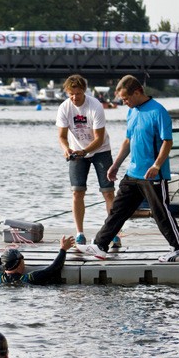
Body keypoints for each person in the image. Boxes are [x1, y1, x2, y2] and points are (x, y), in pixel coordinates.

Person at [77, 75, 179, 263]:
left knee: (161, 212)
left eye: (126, 98)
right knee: (118, 210)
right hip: (133, 173)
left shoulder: (158, 111)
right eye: (122, 99)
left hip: (152, 174)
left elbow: (167, 142)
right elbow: (128, 140)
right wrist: (116, 165)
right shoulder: (132, 112)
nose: (124, 102)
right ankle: (100, 245)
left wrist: (156, 165)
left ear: (137, 92)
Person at [56, 75, 119, 247]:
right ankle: (80, 233)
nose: (75, 97)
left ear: (84, 91)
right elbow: (61, 136)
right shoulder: (64, 108)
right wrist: (66, 149)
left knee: (108, 192)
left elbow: (98, 139)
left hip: (100, 150)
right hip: (77, 152)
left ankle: (113, 233)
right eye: (71, 94)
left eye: (78, 93)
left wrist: (84, 151)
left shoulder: (95, 106)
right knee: (77, 192)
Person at [0, 235, 75, 285]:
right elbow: (53, 269)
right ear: (20, 264)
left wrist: (6, 261)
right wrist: (63, 250)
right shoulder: (29, 278)